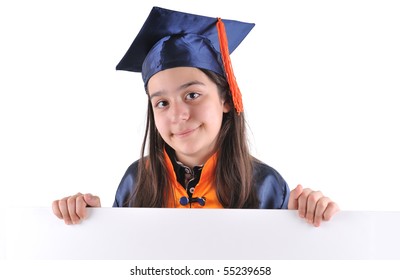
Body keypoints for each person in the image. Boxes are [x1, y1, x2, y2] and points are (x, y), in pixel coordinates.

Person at [52, 6, 339, 227]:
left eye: (192, 95)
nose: (178, 114)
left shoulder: (264, 185)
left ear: (226, 98)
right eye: (162, 103)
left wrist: (308, 222)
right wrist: (91, 224)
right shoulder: (137, 181)